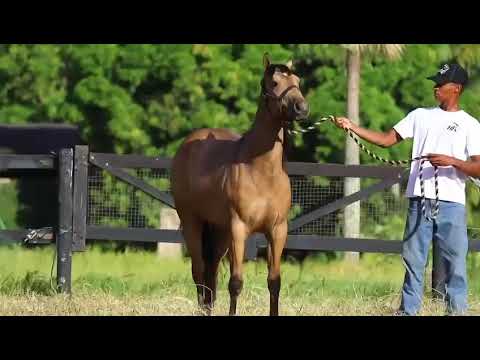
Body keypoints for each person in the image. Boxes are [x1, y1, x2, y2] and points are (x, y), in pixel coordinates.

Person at [334, 63, 480, 315]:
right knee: (413, 260)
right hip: (419, 200)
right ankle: (407, 311)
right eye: (435, 82)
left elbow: (478, 167)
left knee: (455, 262)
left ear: (456, 89)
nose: (435, 87)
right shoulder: (420, 115)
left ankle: (457, 311)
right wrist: (351, 126)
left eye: (441, 84)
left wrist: (452, 161)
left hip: (451, 204)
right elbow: (386, 139)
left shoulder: (470, 124)